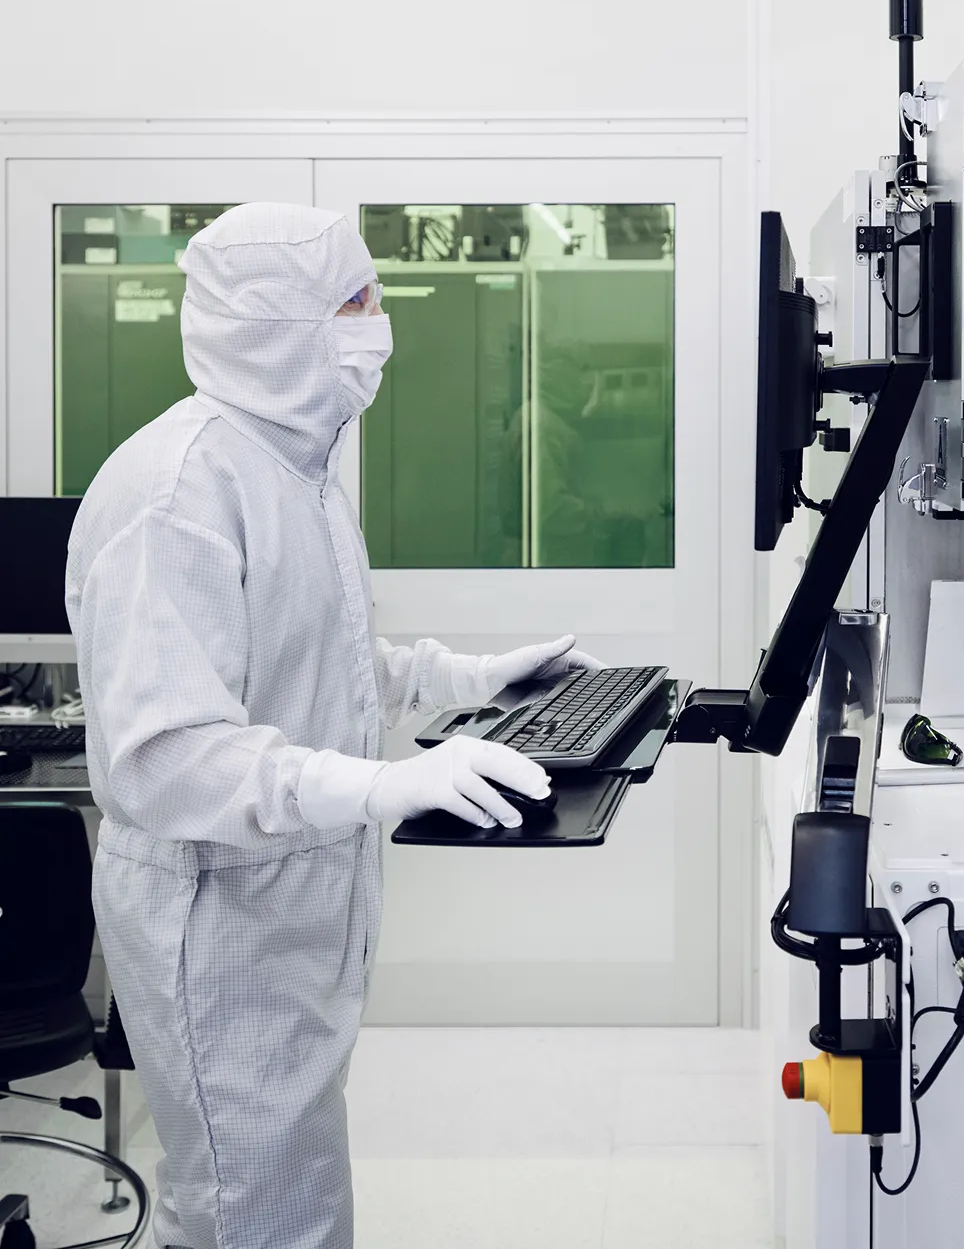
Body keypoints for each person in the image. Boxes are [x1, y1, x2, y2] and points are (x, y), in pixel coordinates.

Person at [65, 202, 601, 1249]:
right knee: (254, 1218)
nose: (382, 321)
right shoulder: (177, 493)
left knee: (257, 1202)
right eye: (356, 299)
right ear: (277, 324)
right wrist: (376, 787)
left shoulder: (292, 470)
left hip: (288, 906)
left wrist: (477, 677)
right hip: (216, 922)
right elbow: (162, 759)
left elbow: (325, 656)